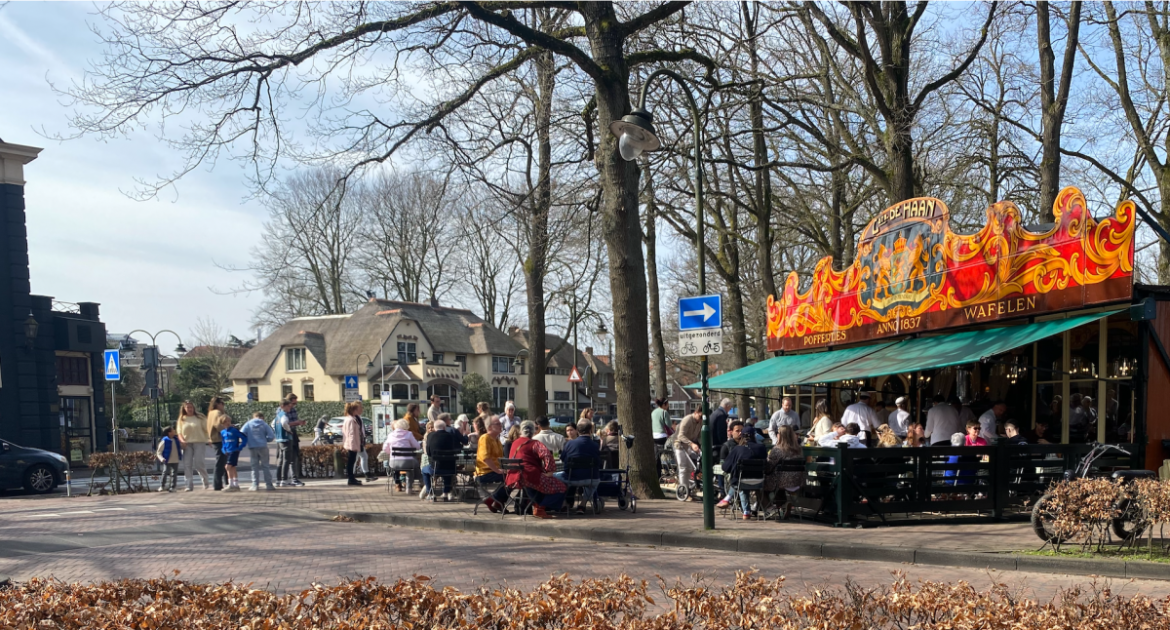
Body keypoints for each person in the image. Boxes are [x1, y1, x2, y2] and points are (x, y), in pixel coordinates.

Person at [507, 421, 567, 519]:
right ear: (534, 431)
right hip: (530, 475)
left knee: (536, 488)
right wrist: (549, 471)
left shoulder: (514, 443)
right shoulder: (534, 443)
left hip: (514, 476)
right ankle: (540, 508)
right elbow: (547, 455)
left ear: (521, 431)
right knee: (561, 487)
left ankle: (538, 507)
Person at [721, 428, 769, 519]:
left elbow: (725, 467)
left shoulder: (737, 449)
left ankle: (745, 510)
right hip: (759, 482)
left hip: (741, 482)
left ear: (741, 437)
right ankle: (745, 511)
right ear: (754, 436)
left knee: (740, 480)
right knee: (743, 478)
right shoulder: (762, 448)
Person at [559, 418, 602, 514]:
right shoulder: (595, 445)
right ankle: (582, 505)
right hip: (591, 478)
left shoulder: (569, 443)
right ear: (591, 431)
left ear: (577, 431)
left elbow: (562, 458)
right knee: (594, 482)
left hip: (571, 478)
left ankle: (563, 504)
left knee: (552, 477)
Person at [764, 425, 806, 519]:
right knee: (777, 481)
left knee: (762, 482)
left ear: (780, 435)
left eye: (778, 433)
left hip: (780, 482)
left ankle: (771, 508)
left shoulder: (777, 450)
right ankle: (782, 505)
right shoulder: (799, 449)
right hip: (797, 481)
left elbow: (768, 467)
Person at [476, 416, 509, 513]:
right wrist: (498, 470)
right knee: (510, 478)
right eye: (497, 424)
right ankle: (495, 500)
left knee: (515, 477)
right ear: (489, 427)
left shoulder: (497, 439)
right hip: (485, 472)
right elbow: (486, 458)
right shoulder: (485, 438)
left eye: (500, 424)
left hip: (494, 471)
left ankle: (497, 502)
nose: (500, 426)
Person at [175, 401, 210, 492]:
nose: (189, 409)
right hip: (187, 443)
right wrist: (182, 441)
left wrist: (209, 439)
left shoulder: (200, 417)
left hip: (199, 442)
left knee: (199, 463)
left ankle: (205, 482)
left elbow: (207, 429)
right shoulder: (182, 419)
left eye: (191, 407)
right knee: (187, 464)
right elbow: (179, 432)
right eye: (187, 407)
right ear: (184, 408)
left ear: (194, 408)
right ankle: (189, 485)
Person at [421, 417, 457, 501]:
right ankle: (446, 492)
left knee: (424, 470)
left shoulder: (430, 435)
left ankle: (430, 493)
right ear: (444, 427)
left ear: (435, 427)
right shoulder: (451, 436)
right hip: (451, 468)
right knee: (447, 468)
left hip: (435, 468)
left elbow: (429, 453)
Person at [240, 411, 276, 491]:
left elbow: (242, 433)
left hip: (252, 446)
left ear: (254, 416)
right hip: (263, 446)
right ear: (262, 417)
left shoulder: (248, 424)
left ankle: (255, 485)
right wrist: (265, 439)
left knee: (254, 466)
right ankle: (269, 484)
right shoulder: (264, 424)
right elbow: (271, 435)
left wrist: (248, 439)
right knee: (265, 466)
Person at [383, 418, 421, 491]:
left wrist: (390, 452)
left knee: (395, 468)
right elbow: (417, 446)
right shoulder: (409, 434)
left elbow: (385, 448)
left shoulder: (390, 435)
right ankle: (409, 487)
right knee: (412, 467)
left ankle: (397, 484)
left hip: (394, 462)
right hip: (408, 462)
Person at [674, 407, 702, 500]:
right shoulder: (687, 420)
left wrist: (701, 445)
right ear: (696, 412)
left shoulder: (700, 422)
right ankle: (683, 491)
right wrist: (692, 444)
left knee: (690, 468)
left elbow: (699, 436)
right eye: (700, 416)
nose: (701, 419)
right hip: (680, 445)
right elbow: (680, 435)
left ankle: (688, 489)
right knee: (683, 468)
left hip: (689, 446)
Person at [273, 399, 302, 487]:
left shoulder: (278, 415)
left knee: (281, 459)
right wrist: (288, 430)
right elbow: (285, 423)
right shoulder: (284, 415)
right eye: (288, 406)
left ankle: (278, 479)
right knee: (286, 460)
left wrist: (277, 431)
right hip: (286, 439)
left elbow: (272, 424)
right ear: (283, 406)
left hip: (279, 439)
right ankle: (284, 479)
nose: (290, 408)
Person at [206, 397, 231, 491]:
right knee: (221, 462)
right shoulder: (217, 413)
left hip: (214, 439)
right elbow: (218, 425)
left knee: (222, 461)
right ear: (217, 404)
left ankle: (227, 481)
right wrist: (227, 430)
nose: (223, 405)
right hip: (219, 439)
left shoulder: (210, 413)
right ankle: (218, 484)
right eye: (222, 403)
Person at [219, 416, 248, 492]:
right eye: (225, 422)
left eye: (229, 421)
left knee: (227, 467)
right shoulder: (222, 432)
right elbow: (223, 442)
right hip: (227, 451)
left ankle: (230, 484)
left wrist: (240, 447)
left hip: (234, 451)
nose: (227, 423)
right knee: (232, 467)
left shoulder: (234, 430)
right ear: (222, 423)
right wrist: (223, 449)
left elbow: (244, 438)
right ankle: (236, 484)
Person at [342, 401, 366, 486]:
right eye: (357, 409)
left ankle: (351, 478)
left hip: (352, 443)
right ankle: (351, 478)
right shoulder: (351, 420)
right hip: (352, 443)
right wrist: (353, 445)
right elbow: (351, 433)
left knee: (351, 461)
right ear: (354, 410)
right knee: (351, 461)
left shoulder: (349, 419)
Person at [284, 394, 306, 484]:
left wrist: (299, 423)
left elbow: (292, 422)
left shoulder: (293, 410)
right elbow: (285, 424)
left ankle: (293, 477)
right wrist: (296, 423)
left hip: (293, 434)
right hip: (287, 435)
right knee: (288, 458)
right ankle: (285, 478)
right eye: (293, 403)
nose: (294, 405)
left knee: (294, 456)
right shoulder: (282, 411)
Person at [155, 425, 182, 492]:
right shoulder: (164, 441)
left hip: (175, 459)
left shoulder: (176, 440)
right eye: (173, 430)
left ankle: (173, 487)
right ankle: (162, 485)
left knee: (174, 474)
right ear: (169, 432)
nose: (174, 431)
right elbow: (159, 452)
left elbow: (180, 447)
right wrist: (162, 458)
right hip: (167, 460)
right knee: (165, 473)